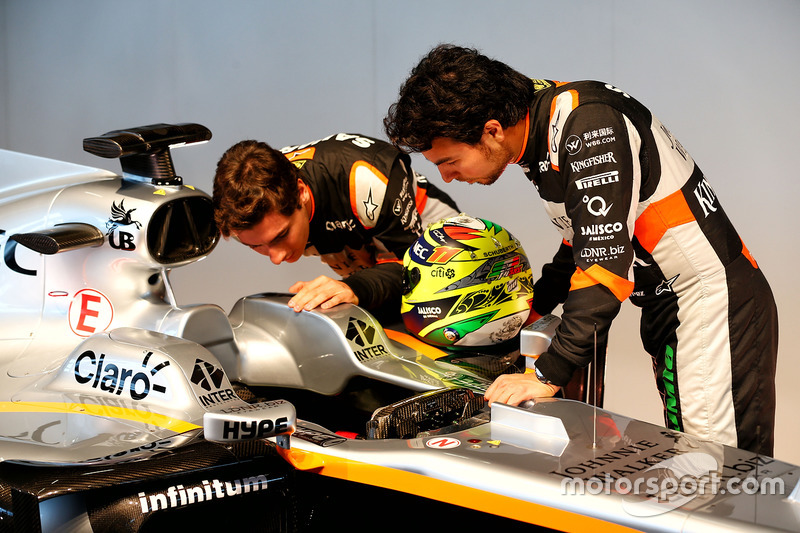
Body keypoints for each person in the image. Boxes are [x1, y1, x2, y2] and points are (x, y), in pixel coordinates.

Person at [384, 44, 778, 455]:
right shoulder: (539, 118)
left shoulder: (589, 125)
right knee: (701, 466)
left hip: (711, 304)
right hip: (676, 305)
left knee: (718, 474)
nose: (448, 176)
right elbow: (579, 243)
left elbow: (604, 265)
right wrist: (529, 313)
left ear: (492, 130)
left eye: (449, 161)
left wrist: (547, 374)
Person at [212, 132, 459, 320]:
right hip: (356, 240)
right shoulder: (238, 213)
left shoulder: (367, 177)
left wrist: (352, 287)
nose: (276, 258)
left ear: (301, 193)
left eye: (281, 235)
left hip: (424, 228)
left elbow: (414, 272)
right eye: (256, 246)